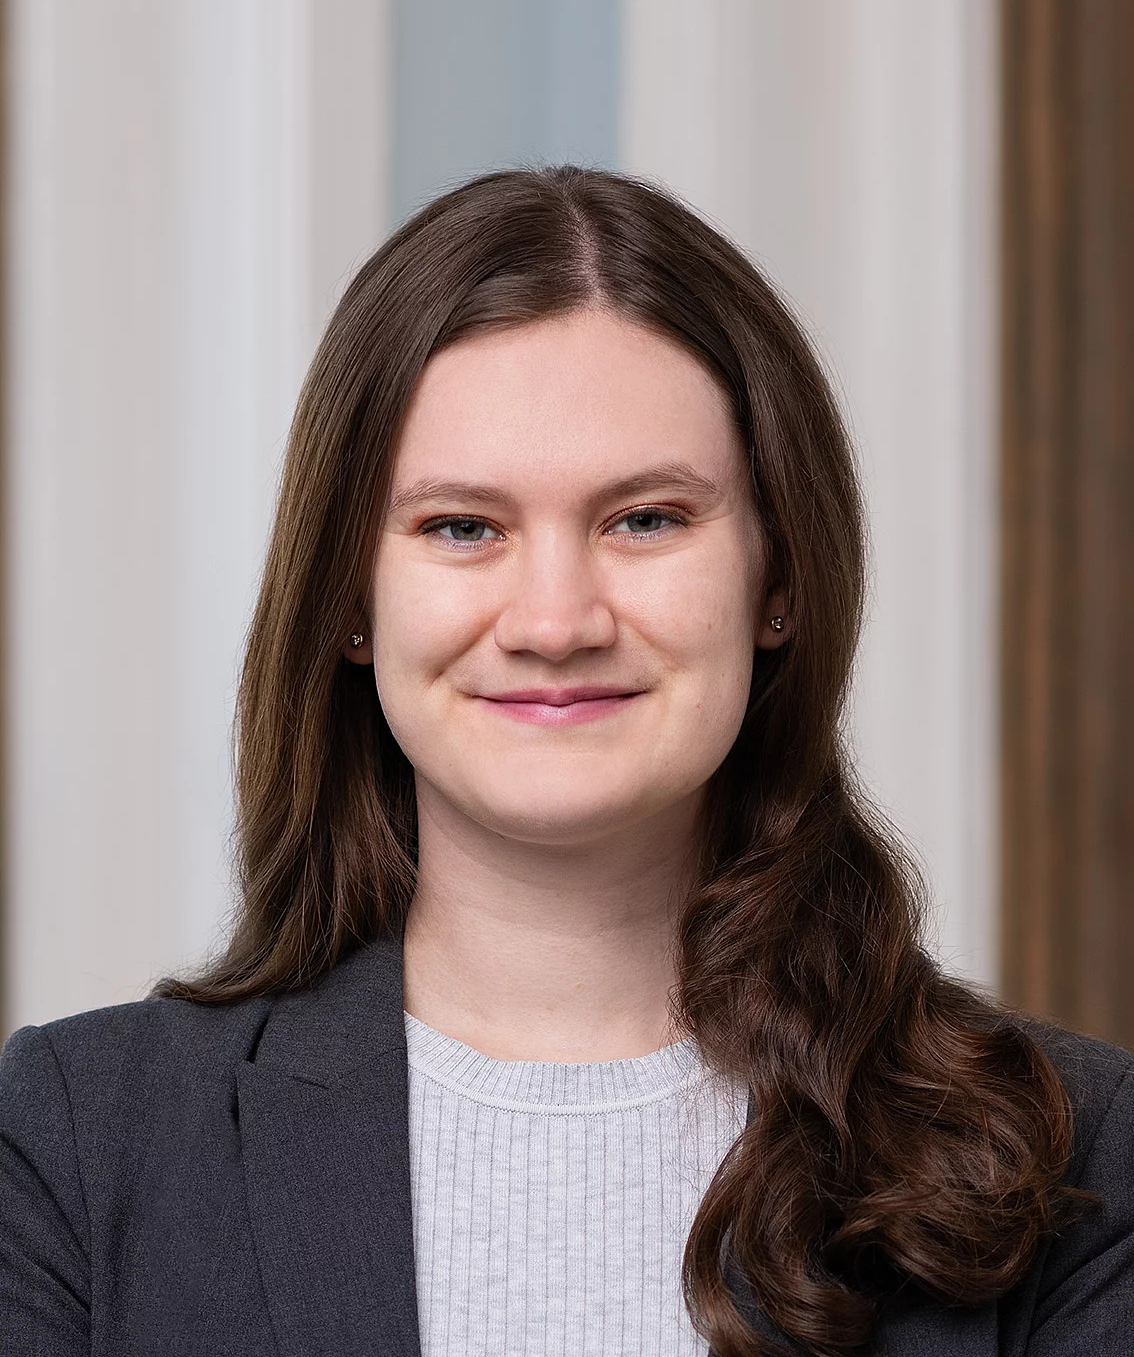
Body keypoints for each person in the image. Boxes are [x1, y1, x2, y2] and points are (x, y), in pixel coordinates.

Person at [1, 165, 1131, 1357]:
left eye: (645, 518)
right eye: (461, 527)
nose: (555, 620)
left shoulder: (1079, 1156)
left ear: (779, 578)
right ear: (351, 599)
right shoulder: (77, 1146)